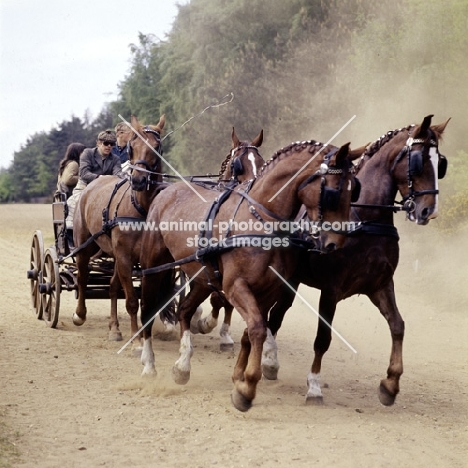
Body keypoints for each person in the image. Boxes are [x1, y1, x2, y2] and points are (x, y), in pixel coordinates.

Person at [66, 130, 123, 230]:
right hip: (85, 184)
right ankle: (71, 222)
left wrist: (124, 176)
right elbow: (84, 173)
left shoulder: (115, 159)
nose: (109, 146)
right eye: (106, 143)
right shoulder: (87, 153)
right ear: (98, 143)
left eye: (112, 144)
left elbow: (117, 173)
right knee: (76, 200)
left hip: (106, 188)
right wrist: (100, 178)